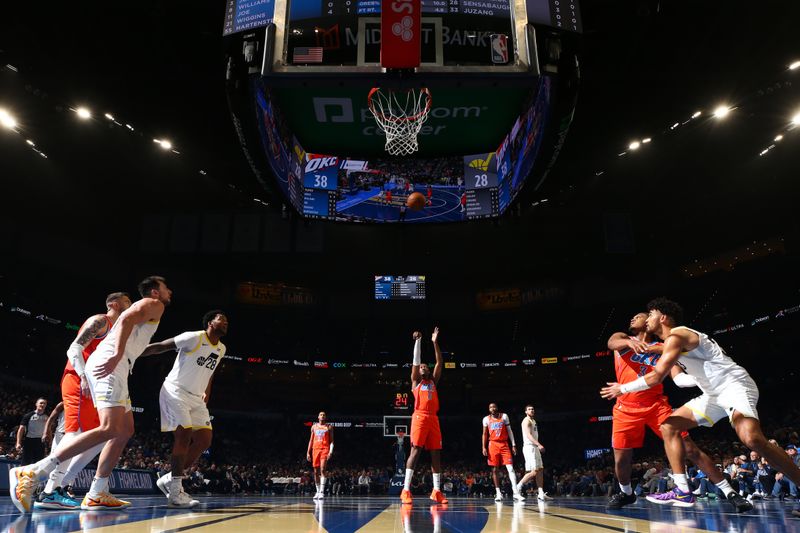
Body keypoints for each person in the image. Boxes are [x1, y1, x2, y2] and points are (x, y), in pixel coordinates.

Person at [601, 297, 800, 511]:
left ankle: (745, 489)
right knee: (669, 426)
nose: (647, 318)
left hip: (733, 386)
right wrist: (700, 379)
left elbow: (658, 377)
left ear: (663, 317)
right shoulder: (660, 343)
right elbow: (679, 380)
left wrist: (622, 388)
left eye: (651, 314)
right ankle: (682, 491)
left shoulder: (677, 335)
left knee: (752, 439)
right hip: (711, 394)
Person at [9, 276, 172, 513]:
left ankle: (97, 492)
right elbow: (125, 319)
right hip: (106, 366)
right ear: (155, 292)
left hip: (117, 366)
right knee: (108, 429)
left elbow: (131, 330)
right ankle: (33, 472)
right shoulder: (153, 303)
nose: (171, 292)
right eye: (166, 288)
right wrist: (117, 354)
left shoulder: (142, 312)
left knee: (124, 430)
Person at [36, 291, 132, 511]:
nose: (132, 306)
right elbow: (74, 349)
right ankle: (50, 491)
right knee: (76, 432)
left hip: (97, 384)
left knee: (103, 435)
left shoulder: (121, 331)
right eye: (128, 302)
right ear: (115, 304)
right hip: (80, 380)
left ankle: (61, 485)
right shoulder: (101, 321)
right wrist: (82, 376)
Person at [141, 310, 229, 508]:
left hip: (197, 398)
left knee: (205, 439)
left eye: (227, 321)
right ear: (209, 323)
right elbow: (162, 346)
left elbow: (210, 373)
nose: (225, 323)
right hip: (176, 390)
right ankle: (175, 492)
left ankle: (169, 478)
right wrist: (133, 353)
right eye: (221, 319)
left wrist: (207, 394)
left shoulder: (221, 349)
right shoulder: (194, 337)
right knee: (184, 434)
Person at [400, 328, 447, 505]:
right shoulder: (415, 382)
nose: (422, 367)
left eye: (424, 366)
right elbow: (415, 361)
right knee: (416, 451)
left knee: (436, 453)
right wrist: (418, 341)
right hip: (419, 417)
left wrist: (434, 342)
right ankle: (405, 490)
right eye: (420, 367)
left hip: (433, 418)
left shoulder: (433, 381)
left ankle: (436, 491)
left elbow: (439, 362)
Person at [482, 403, 524, 502]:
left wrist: (513, 444)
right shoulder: (486, 419)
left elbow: (510, 431)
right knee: (495, 469)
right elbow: (484, 434)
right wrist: (483, 447)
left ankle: (516, 493)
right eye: (490, 407)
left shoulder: (504, 416)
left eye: (494, 407)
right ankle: (498, 493)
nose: (492, 408)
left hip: (504, 444)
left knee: (510, 468)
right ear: (489, 409)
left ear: (497, 408)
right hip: (493, 444)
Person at [515, 405, 551, 501]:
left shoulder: (533, 421)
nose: (531, 410)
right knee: (534, 471)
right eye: (529, 409)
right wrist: (539, 445)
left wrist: (537, 446)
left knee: (540, 470)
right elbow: (529, 435)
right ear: (526, 412)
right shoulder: (526, 421)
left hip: (534, 447)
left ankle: (540, 493)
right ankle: (517, 488)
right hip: (529, 447)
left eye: (532, 409)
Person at [306, 411, 334, 500]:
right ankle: (317, 491)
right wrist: (308, 452)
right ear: (318, 417)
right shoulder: (314, 427)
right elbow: (311, 440)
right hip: (315, 449)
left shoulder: (329, 427)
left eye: (324, 415)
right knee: (315, 472)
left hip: (324, 449)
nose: (322, 416)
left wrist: (330, 452)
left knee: (322, 469)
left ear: (325, 417)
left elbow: (332, 441)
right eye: (321, 415)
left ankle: (322, 492)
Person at [16, 399, 48, 465]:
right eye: (41, 403)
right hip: (29, 441)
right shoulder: (28, 416)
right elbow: (21, 429)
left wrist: (50, 440)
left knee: (39, 463)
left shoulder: (47, 417)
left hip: (40, 442)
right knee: (26, 462)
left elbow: (49, 429)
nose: (42, 405)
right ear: (36, 404)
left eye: (44, 404)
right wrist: (18, 442)